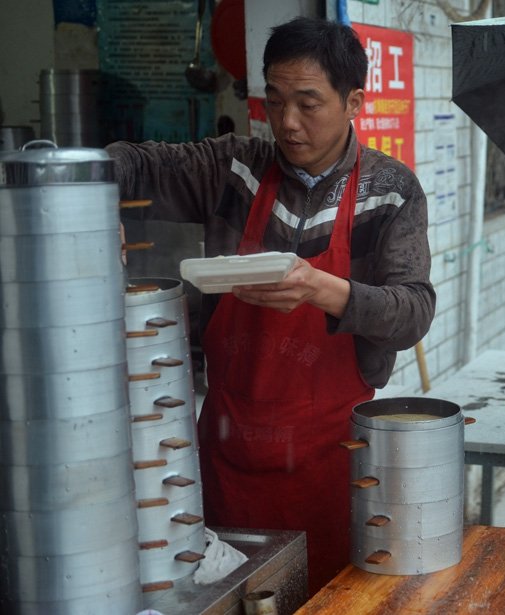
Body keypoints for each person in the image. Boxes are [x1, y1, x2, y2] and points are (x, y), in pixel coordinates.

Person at [108, 16, 435, 594]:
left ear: (354, 100)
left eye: (308, 103)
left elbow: (412, 311)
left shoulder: (391, 190)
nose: (287, 122)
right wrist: (90, 198)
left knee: (331, 598)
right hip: (227, 453)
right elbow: (132, 163)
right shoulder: (233, 168)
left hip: (331, 460)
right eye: (275, 100)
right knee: (233, 597)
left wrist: (319, 288)